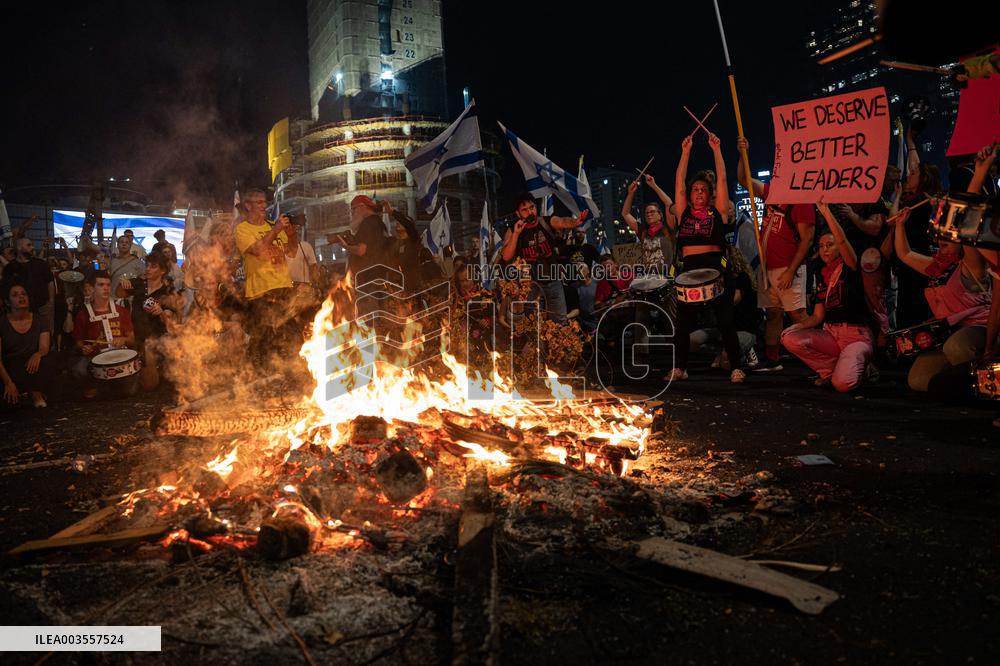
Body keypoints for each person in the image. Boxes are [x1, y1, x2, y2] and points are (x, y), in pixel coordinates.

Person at [669, 132, 744, 383]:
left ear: (710, 194)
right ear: (690, 195)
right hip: (689, 271)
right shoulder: (684, 214)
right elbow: (679, 182)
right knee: (682, 323)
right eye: (695, 190)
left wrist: (716, 149)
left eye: (703, 190)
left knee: (725, 321)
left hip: (716, 268)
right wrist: (685, 152)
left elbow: (722, 178)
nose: (699, 192)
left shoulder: (717, 212)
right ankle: (680, 368)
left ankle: (736, 367)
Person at [736, 137, 816, 372]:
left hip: (788, 268)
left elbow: (807, 239)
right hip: (767, 267)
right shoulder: (772, 193)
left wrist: (791, 271)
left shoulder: (801, 201)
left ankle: (817, 357)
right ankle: (773, 360)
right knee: (773, 314)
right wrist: (743, 153)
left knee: (798, 314)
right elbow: (743, 180)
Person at [890, 204, 990, 392]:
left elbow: (968, 236)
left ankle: (982, 382)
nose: (940, 242)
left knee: (956, 347)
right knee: (918, 380)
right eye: (940, 239)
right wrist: (900, 225)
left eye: (947, 238)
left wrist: (963, 209)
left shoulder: (972, 267)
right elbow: (905, 254)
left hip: (977, 328)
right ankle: (960, 382)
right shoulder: (937, 267)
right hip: (946, 332)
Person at [782, 203, 874, 392]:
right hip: (831, 335)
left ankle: (860, 367)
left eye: (830, 245)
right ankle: (830, 370)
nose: (824, 250)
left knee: (843, 384)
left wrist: (825, 212)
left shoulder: (850, 266)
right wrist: (797, 327)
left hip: (855, 337)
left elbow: (842, 241)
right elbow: (817, 316)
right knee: (790, 338)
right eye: (822, 246)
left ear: (839, 247)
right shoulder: (822, 274)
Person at [500, 193, 588, 325]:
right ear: (518, 213)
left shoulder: (545, 221)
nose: (530, 212)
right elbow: (506, 255)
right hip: (530, 284)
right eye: (525, 210)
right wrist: (516, 234)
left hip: (552, 280)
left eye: (532, 207)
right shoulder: (513, 230)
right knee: (531, 323)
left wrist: (575, 222)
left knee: (559, 322)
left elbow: (561, 221)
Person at [234, 188, 299, 364]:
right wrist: (276, 230)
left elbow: (292, 252)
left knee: (290, 335)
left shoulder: (272, 225)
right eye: (259, 202)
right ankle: (258, 370)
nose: (264, 206)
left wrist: (292, 235)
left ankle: (289, 369)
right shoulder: (242, 229)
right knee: (264, 338)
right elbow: (257, 250)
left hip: (283, 287)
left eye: (265, 202)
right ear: (248, 205)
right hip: (261, 292)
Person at [689, 247, 761, 370]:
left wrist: (714, 296)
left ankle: (745, 350)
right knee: (690, 340)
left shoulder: (742, 277)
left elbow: (734, 300)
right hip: (721, 330)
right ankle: (722, 352)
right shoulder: (715, 280)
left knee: (726, 363)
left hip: (743, 330)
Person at [118, 251, 181, 391]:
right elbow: (119, 293)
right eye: (147, 265)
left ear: (162, 270)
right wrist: (123, 284)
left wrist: (161, 312)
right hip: (135, 334)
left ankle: (155, 368)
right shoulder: (139, 283)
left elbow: (169, 323)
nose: (148, 269)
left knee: (149, 385)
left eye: (153, 266)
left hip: (156, 337)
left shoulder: (167, 291)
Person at [72, 270, 137, 399]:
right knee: (79, 368)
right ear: (92, 288)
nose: (106, 288)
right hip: (95, 358)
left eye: (108, 285)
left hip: (119, 357)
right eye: (101, 285)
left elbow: (132, 340)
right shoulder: (83, 315)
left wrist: (123, 339)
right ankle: (94, 386)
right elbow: (78, 342)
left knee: (129, 392)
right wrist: (83, 348)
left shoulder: (122, 311)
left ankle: (109, 387)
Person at [1, 283, 53, 407]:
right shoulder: (2, 323)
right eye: (15, 295)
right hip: (11, 365)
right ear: (8, 302)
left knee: (49, 361)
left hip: (32, 364)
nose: (21, 297)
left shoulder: (40, 320)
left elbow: (44, 347)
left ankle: (35, 392)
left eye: (24, 294)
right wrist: (8, 383)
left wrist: (38, 354)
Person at [621, 174, 676, 276]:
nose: (649, 214)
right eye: (647, 213)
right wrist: (630, 193)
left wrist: (653, 185)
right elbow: (625, 214)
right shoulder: (643, 232)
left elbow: (669, 204)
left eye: (652, 212)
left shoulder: (668, 228)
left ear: (660, 214)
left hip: (668, 277)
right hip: (650, 278)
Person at [331, 195, 390, 289]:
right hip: (375, 276)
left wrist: (345, 246)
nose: (352, 212)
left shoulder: (368, 223)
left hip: (369, 278)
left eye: (354, 208)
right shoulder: (377, 222)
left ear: (363, 206)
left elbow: (361, 250)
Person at [2, 237, 55, 334]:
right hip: (21, 309)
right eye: (29, 245)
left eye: (32, 245)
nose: (33, 247)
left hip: (43, 307)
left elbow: (50, 281)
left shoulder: (40, 263)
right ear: (19, 248)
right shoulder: (10, 268)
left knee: (46, 332)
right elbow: (6, 288)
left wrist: (51, 301)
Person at [109, 235, 145, 300]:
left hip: (131, 299)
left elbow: (144, 279)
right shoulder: (112, 262)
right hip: (113, 298)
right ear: (117, 245)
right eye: (121, 242)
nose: (124, 244)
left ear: (130, 245)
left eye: (127, 242)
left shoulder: (138, 262)